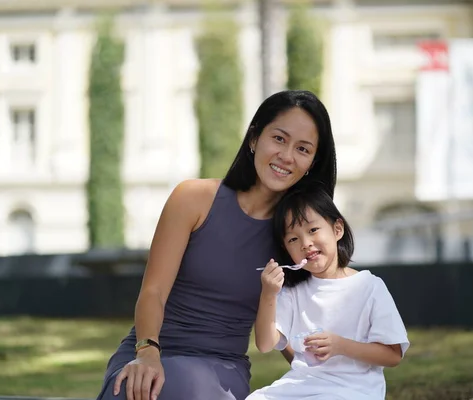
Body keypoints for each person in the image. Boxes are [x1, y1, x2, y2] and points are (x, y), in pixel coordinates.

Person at [96, 90, 338, 400]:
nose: (287, 156)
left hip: (219, 371)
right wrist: (146, 352)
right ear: (254, 138)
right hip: (149, 350)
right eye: (279, 139)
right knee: (141, 387)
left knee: (187, 388)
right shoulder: (193, 198)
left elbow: (289, 330)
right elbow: (153, 291)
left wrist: (333, 381)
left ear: (311, 163)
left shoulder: (298, 236)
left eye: (302, 149)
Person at [247, 185, 410, 400]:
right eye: (293, 239)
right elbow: (266, 344)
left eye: (313, 230)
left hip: (354, 391)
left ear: (337, 229)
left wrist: (340, 345)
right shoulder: (291, 290)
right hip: (300, 387)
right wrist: (268, 294)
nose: (305, 243)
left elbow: (392, 355)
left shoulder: (370, 286)